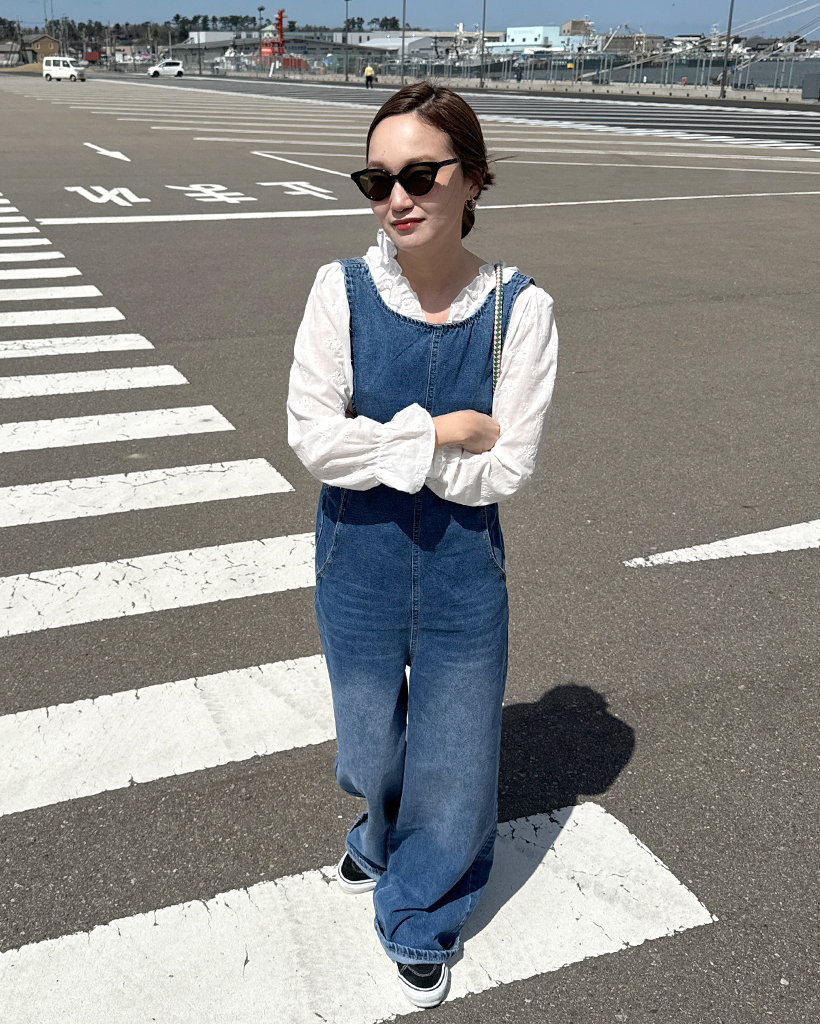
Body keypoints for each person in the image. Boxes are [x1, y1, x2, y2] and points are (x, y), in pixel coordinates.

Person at [287, 82, 558, 1009]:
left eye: (418, 175)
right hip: (355, 557)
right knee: (368, 743)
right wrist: (441, 433)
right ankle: (377, 832)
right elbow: (315, 441)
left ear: (472, 178)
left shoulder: (521, 309)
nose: (396, 198)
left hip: (461, 568)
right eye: (376, 180)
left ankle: (421, 909)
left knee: (456, 755)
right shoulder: (339, 290)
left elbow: (507, 467)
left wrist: (385, 449)